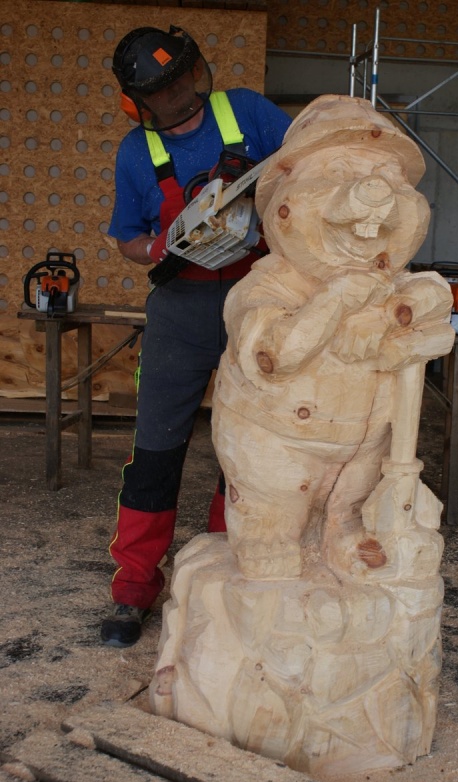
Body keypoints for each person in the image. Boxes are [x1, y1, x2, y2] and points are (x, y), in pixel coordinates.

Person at [100, 24, 291, 647]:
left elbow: (310, 170)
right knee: (155, 448)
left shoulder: (248, 113)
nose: (182, 93)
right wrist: (159, 245)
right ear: (138, 103)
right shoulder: (136, 151)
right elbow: (127, 238)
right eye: (165, 89)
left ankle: (226, 567)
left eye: (185, 76)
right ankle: (134, 585)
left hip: (258, 300)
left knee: (245, 447)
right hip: (179, 308)